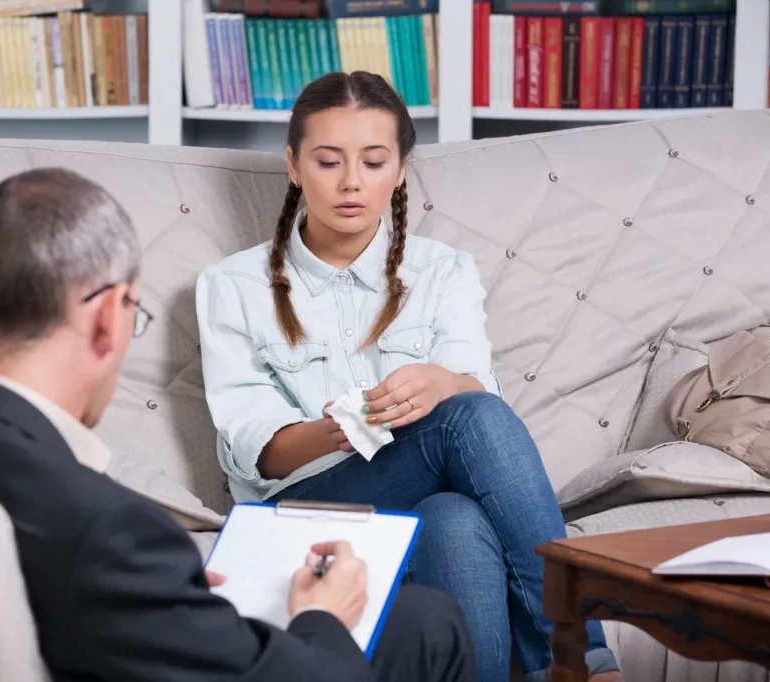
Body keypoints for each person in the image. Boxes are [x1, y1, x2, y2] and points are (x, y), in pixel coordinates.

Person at [0, 167, 476, 682]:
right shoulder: (111, 532)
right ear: (108, 319)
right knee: (429, 621)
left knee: (415, 616)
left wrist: (166, 599)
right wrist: (323, 617)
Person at [195, 71, 624, 682]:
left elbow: (481, 396)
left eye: (373, 162)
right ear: (293, 165)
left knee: (456, 514)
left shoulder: (442, 271)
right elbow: (252, 452)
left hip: (421, 493)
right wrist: (341, 428)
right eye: (327, 161)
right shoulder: (231, 286)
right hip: (304, 511)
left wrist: (443, 384)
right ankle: (586, 664)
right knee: (466, 422)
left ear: (399, 170)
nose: (351, 183)